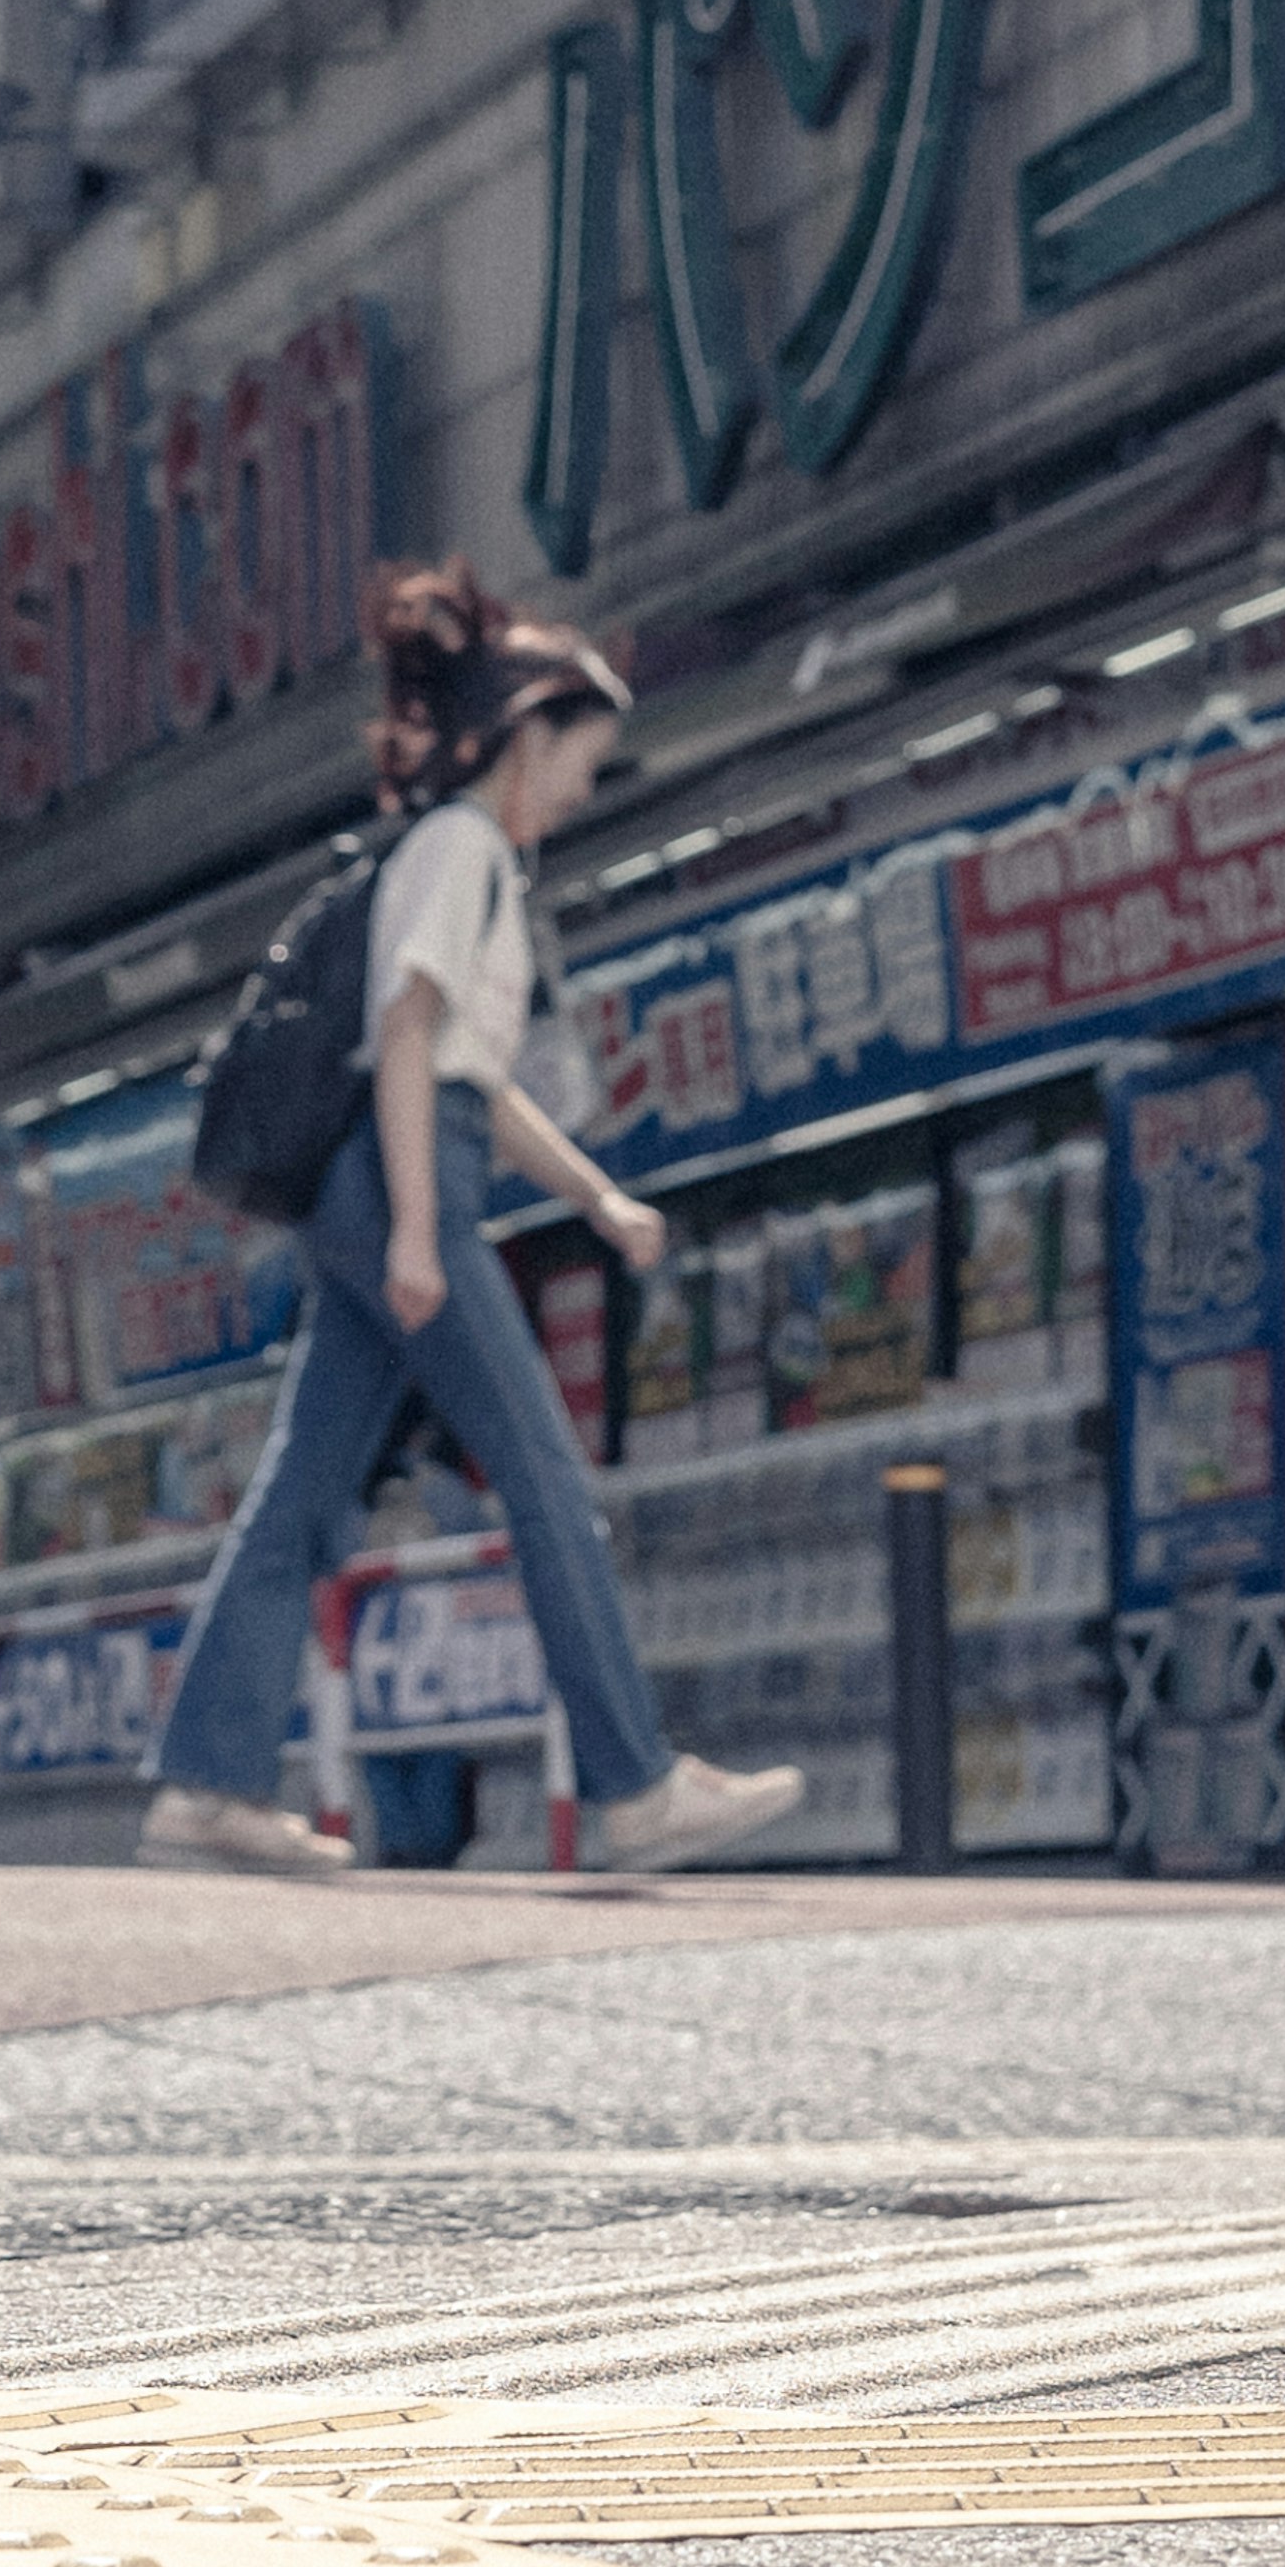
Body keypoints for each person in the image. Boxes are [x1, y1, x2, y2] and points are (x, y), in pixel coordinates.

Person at [140, 566, 804, 1881]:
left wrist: (596, 1200)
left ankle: (204, 1789)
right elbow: (404, 1043)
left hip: (391, 1175)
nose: (580, 789)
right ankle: (636, 1785)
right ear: (526, 739)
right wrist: (415, 1235)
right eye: (580, 760)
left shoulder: (464, 858)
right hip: (403, 1180)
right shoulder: (462, 851)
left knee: (305, 1493)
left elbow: (472, 1082)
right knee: (543, 1474)